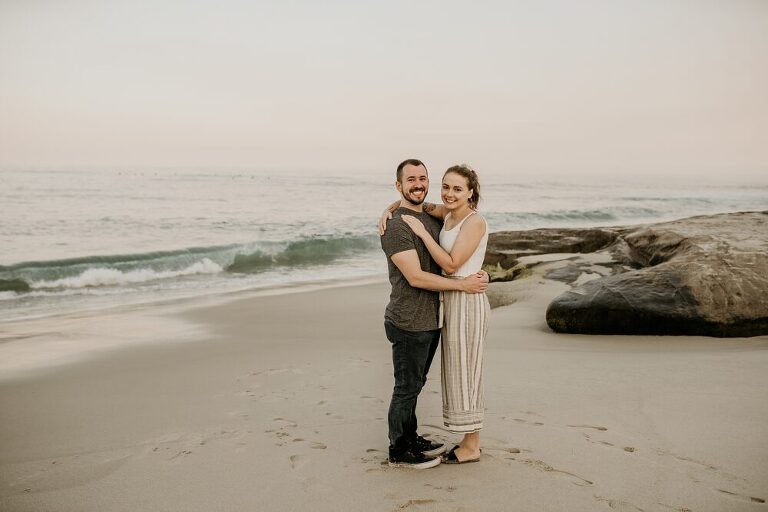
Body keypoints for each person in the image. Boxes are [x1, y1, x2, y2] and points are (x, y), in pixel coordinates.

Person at [380, 159, 489, 469]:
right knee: (408, 386)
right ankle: (400, 448)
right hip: (411, 316)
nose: (419, 184)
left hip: (441, 312)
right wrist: (388, 210)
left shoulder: (438, 217)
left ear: (470, 193)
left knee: (429, 380)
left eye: (423, 178)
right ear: (398, 185)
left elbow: (457, 260)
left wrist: (476, 278)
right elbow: (416, 277)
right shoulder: (400, 225)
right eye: (446, 186)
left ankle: (429, 439)